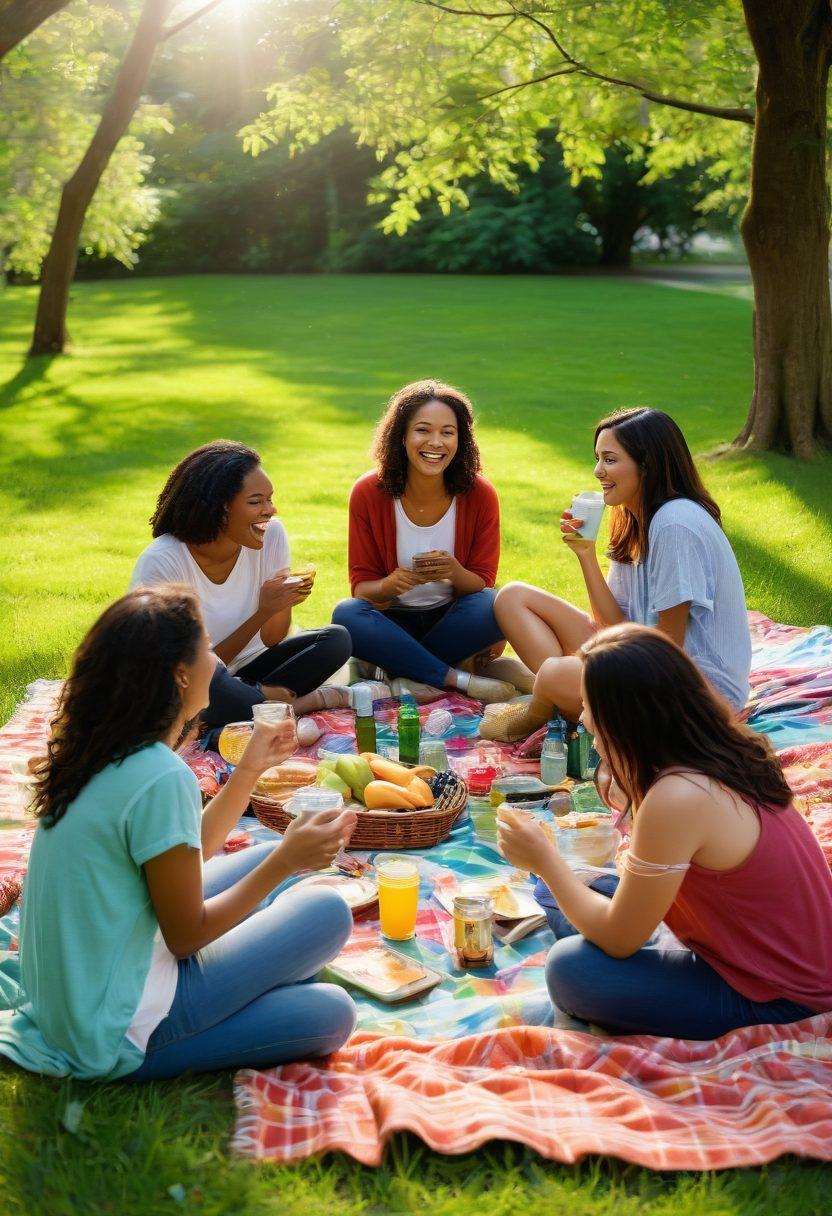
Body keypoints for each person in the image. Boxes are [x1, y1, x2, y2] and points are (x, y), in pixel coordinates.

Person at [0, 587, 357, 1080]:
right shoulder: (160, 775)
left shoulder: (103, 749)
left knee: (269, 855)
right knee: (329, 967)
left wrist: (249, 770)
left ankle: (253, 975)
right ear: (180, 674)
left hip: (78, 994)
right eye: (207, 647)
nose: (218, 660)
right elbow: (185, 936)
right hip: (117, 1026)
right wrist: (286, 863)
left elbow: (185, 856)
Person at [497, 624, 832, 1040]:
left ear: (628, 720)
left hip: (775, 994)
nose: (582, 718)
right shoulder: (724, 749)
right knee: (564, 888)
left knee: (570, 968)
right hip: (739, 945)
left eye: (589, 705)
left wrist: (545, 860)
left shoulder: (679, 796)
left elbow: (620, 940)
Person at [483, 407, 751, 740]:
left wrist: (587, 663)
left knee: (553, 672)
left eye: (609, 460)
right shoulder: (632, 519)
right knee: (512, 597)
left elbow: (668, 648)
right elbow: (611, 624)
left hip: (694, 692)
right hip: (643, 661)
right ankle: (563, 699)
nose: (598, 471)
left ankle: (539, 708)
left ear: (647, 464)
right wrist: (585, 554)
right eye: (598, 458)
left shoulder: (675, 523)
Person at [130, 441, 352, 729]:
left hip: (248, 670)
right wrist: (261, 612)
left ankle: (249, 704)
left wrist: (280, 602)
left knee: (336, 640)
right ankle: (287, 704)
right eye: (256, 501)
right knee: (203, 685)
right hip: (188, 681)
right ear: (220, 509)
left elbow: (272, 639)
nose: (270, 510)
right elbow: (186, 670)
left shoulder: (270, 535)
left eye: (270, 499)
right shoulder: (164, 561)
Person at [333, 380, 529, 702]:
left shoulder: (480, 494)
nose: (435, 443)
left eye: (448, 433)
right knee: (346, 614)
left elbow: (481, 582)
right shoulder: (368, 492)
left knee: (494, 603)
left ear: (460, 440)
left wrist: (453, 571)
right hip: (391, 623)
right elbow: (361, 589)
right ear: (402, 436)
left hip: (451, 622)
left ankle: (401, 672)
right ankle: (456, 678)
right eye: (423, 430)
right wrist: (389, 585)